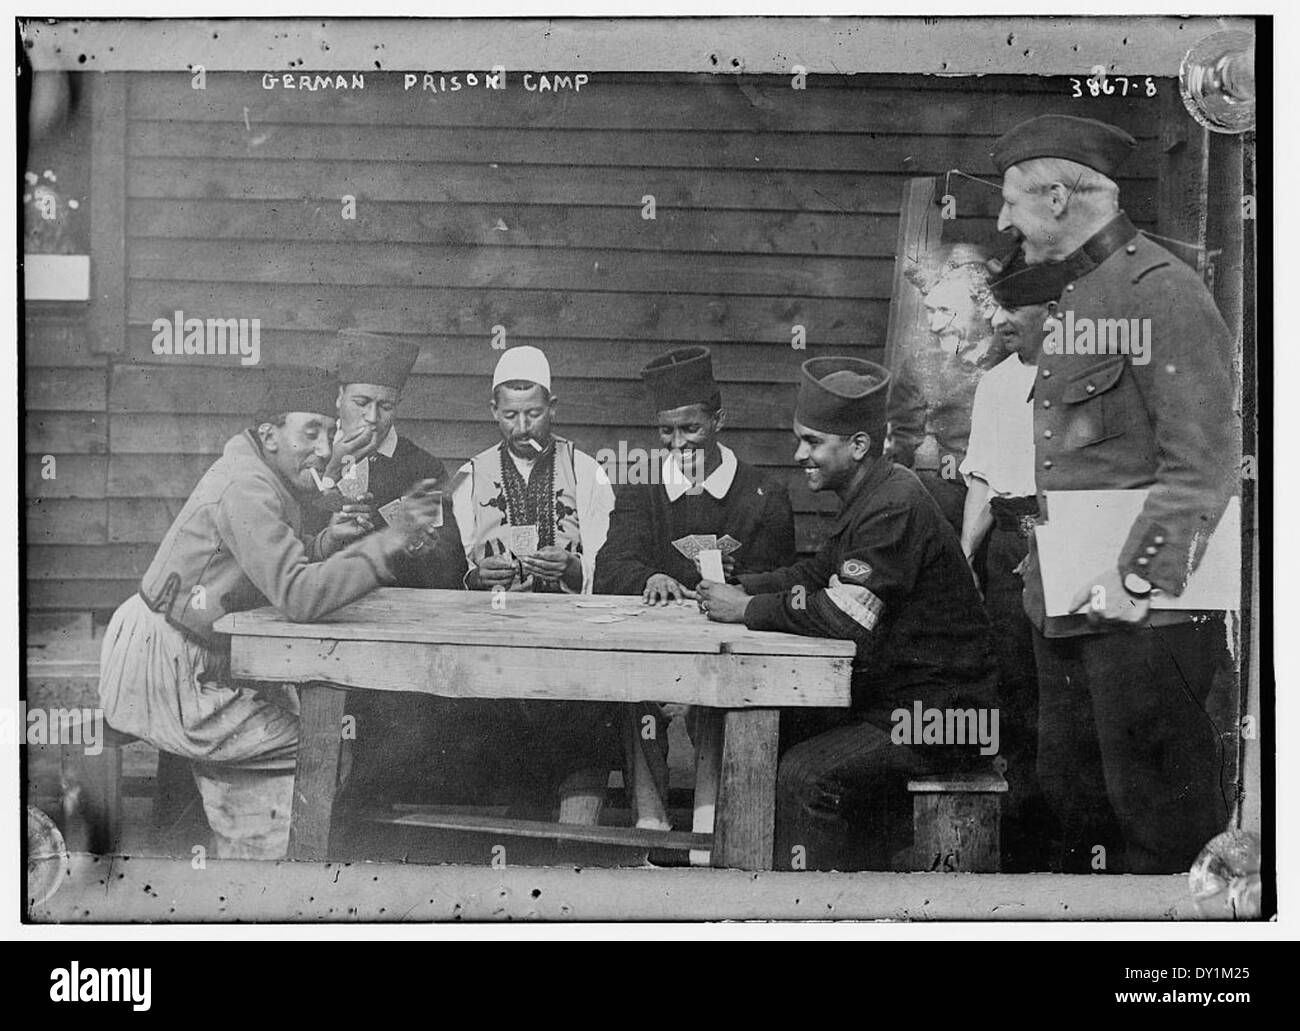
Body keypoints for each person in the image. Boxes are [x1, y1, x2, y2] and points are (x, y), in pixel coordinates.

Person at [990, 113, 1238, 873]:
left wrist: (1136, 577)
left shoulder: (1162, 290)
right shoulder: (1071, 296)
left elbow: (1206, 462)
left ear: (1059, 197)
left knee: (1159, 830)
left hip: (1145, 618)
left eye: (1011, 202)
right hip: (1067, 608)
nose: (1001, 222)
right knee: (1074, 810)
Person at [97, 368, 443, 859]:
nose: (325, 449)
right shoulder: (247, 487)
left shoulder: (259, 473)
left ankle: (256, 858)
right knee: (320, 751)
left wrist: (323, 543)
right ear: (268, 435)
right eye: (311, 432)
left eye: (328, 432)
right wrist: (389, 540)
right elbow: (299, 596)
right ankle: (267, 873)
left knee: (311, 745)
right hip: (167, 664)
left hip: (194, 651)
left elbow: (252, 559)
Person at [697, 358, 997, 872]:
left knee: (805, 773)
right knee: (773, 736)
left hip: (946, 716)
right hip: (900, 701)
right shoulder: (873, 490)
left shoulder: (893, 503)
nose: (799, 454)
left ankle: (818, 909)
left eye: (812, 442)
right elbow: (819, 575)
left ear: (858, 446)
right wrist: (743, 585)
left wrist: (747, 609)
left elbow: (846, 617)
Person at [593, 346, 797, 830]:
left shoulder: (763, 495)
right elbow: (610, 565)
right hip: (655, 654)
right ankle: (651, 822)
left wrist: (739, 580)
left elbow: (780, 582)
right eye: (667, 431)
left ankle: (710, 822)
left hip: (729, 656)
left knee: (716, 705)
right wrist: (650, 577)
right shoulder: (641, 486)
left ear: (719, 420)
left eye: (691, 429)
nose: (678, 443)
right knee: (636, 698)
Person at [302, 331, 471, 825]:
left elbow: (448, 567)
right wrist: (329, 525)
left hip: (389, 635)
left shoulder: (420, 466)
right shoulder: (312, 459)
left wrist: (420, 545)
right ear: (339, 400)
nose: (373, 418)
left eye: (386, 406)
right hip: (320, 625)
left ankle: (365, 833)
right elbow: (289, 542)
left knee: (396, 735)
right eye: (361, 402)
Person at [449, 345, 619, 824]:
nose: (522, 427)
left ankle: (574, 832)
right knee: (510, 734)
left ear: (553, 407)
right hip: (498, 638)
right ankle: (522, 835)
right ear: (493, 413)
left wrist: (570, 568)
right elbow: (459, 566)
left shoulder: (587, 472)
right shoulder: (470, 475)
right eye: (510, 416)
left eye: (534, 413)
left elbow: (609, 561)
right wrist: (478, 579)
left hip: (572, 639)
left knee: (580, 725)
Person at [958, 296, 1054, 870]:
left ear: (1050, 309)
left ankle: (1072, 845)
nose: (997, 323)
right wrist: (967, 556)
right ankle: (1019, 850)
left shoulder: (1087, 374)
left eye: (1011, 310)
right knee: (1014, 694)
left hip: (1065, 540)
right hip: (1008, 548)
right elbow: (984, 481)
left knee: (1061, 699)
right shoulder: (995, 384)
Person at [886, 245, 1004, 531]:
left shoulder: (1015, 359)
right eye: (929, 310)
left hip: (1011, 501)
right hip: (955, 498)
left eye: (946, 311)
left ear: (985, 306)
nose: (935, 325)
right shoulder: (923, 367)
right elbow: (899, 442)